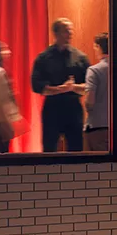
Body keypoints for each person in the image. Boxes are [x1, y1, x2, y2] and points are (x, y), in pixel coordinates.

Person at [31, 18, 91, 152]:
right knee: (49, 148)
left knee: (76, 148)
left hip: (73, 107)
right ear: (56, 33)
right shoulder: (43, 58)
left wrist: (73, 87)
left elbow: (90, 85)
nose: (70, 33)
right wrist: (61, 89)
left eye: (71, 30)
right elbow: (37, 86)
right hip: (52, 108)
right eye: (66, 31)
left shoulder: (80, 57)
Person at [83, 32, 117, 152]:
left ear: (98, 47)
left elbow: (90, 101)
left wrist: (90, 110)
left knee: (96, 162)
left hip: (97, 128)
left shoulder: (93, 71)